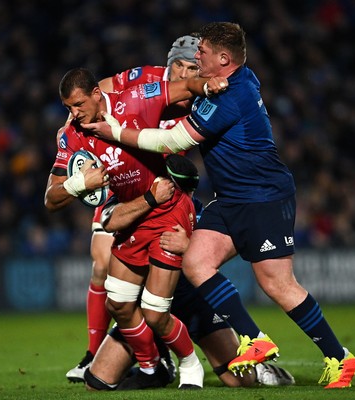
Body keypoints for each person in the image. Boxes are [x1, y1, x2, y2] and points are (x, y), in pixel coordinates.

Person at [82, 22, 355, 389]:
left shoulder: (229, 97)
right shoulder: (230, 79)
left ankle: (340, 358)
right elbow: (113, 87)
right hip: (231, 199)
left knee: (277, 283)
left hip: (263, 197)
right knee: (196, 261)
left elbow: (172, 140)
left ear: (224, 59)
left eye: (203, 54)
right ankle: (255, 340)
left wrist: (114, 132)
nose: (197, 59)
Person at [44, 67, 227, 390]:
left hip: (168, 210)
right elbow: (51, 198)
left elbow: (184, 87)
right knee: (119, 304)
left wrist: (208, 85)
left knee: (155, 312)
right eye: (68, 108)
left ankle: (189, 364)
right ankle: (152, 366)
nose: (73, 114)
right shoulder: (70, 135)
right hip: (133, 214)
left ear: (97, 95)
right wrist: (78, 183)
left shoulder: (136, 100)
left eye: (78, 104)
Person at [84, 153, 295, 390]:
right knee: (97, 382)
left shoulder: (195, 210)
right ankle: (159, 362)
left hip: (190, 301)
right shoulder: (130, 198)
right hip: (145, 309)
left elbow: (224, 248)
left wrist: (189, 247)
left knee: (238, 379)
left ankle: (260, 370)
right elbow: (109, 221)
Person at [65, 34, 202, 383]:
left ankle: (231, 344)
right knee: (101, 266)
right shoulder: (147, 82)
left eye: (192, 69)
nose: (183, 74)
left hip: (165, 196)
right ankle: (96, 353)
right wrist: (76, 115)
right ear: (169, 64)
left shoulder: (203, 103)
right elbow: (102, 87)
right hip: (121, 193)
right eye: (179, 66)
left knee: (166, 293)